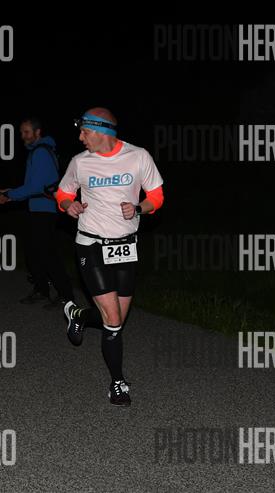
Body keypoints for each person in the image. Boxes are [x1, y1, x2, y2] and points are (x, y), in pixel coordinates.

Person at [56, 108, 164, 406]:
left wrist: (139, 208)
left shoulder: (138, 156)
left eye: (84, 132)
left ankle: (78, 315)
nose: (80, 138)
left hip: (125, 246)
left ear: (101, 131)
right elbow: (63, 193)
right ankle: (117, 384)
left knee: (115, 318)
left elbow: (157, 196)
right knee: (113, 320)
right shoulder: (80, 162)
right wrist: (67, 205)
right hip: (90, 244)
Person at [0, 117, 73, 309]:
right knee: (33, 252)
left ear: (38, 132)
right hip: (37, 208)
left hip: (45, 210)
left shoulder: (40, 152)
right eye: (21, 132)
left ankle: (66, 296)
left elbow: (35, 187)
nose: (23, 136)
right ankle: (41, 290)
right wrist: (12, 191)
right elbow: (36, 184)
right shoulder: (39, 151)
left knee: (48, 254)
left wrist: (9, 196)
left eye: (27, 132)